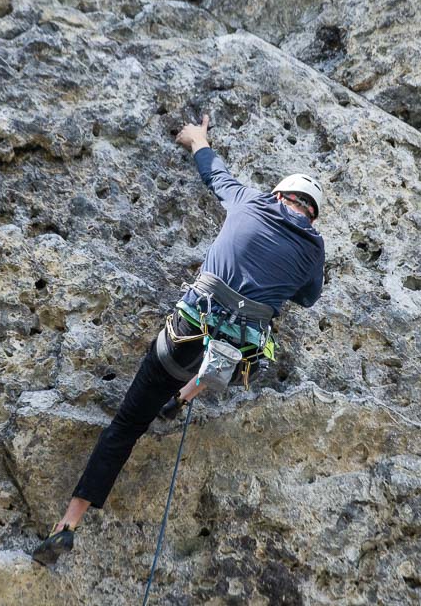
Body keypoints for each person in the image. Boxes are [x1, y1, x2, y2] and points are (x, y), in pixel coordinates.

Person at [31, 113, 326, 564]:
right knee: (245, 344)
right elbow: (308, 299)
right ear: (310, 212)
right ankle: (184, 398)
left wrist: (197, 138)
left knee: (126, 427)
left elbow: (214, 172)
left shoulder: (249, 201)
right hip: (228, 357)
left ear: (279, 194)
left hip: (183, 337)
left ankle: (67, 524)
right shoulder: (313, 248)